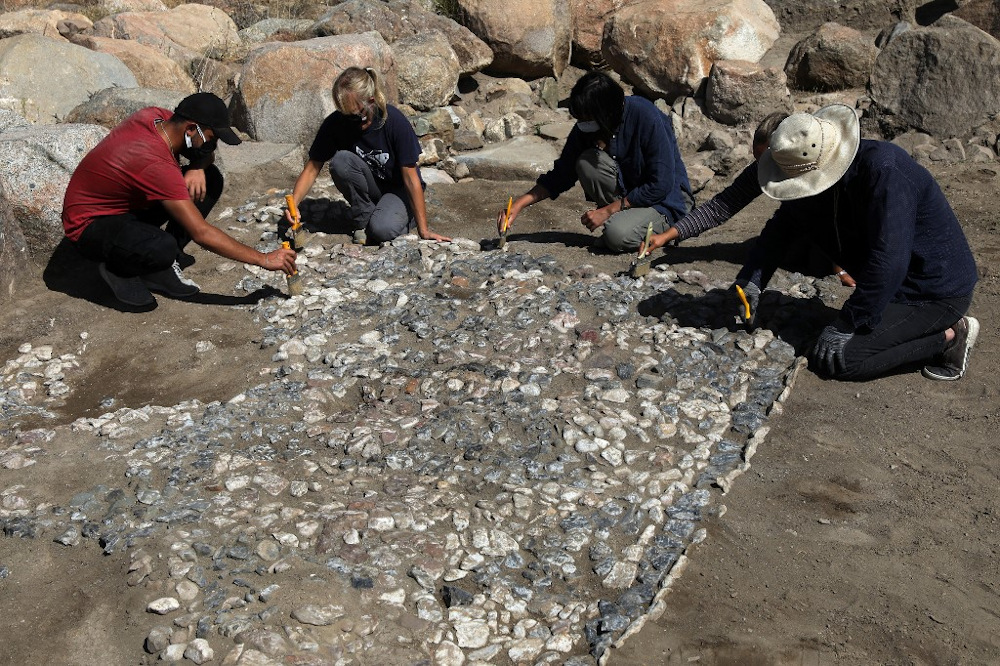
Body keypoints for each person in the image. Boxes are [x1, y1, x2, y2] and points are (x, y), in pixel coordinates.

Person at [730, 105, 979, 381]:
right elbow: (782, 229)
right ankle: (905, 323)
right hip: (893, 287)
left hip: (933, 292)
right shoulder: (810, 171)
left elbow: (890, 260)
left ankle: (950, 336)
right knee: (827, 341)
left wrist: (848, 321)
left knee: (839, 361)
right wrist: (752, 280)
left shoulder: (884, 172)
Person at [62, 92, 297, 307]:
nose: (213, 145)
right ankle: (119, 269)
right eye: (212, 137)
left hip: (125, 206)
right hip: (89, 227)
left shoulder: (158, 118)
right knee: (161, 246)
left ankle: (161, 263)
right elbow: (201, 234)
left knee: (210, 177)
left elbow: (205, 154)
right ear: (191, 129)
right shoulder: (154, 163)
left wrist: (197, 166)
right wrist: (263, 259)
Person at [645, 112, 855, 287]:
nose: (764, 169)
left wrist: (839, 268)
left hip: (849, 229)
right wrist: (668, 235)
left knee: (820, 264)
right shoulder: (765, 168)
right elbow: (720, 207)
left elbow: (835, 215)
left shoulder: (823, 166)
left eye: (768, 162)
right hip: (805, 226)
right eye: (759, 162)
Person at [497, 71, 693, 253]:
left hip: (665, 201)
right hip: (630, 196)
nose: (582, 124)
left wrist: (607, 210)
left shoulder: (646, 116)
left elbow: (661, 184)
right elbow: (562, 174)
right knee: (586, 162)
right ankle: (624, 223)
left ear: (606, 114)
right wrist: (520, 204)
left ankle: (660, 230)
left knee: (617, 236)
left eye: (587, 119)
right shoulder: (588, 127)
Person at [288, 66, 449, 245]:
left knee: (382, 230)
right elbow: (312, 168)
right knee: (340, 161)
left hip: (399, 189)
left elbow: (412, 179)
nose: (353, 123)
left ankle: (403, 218)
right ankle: (365, 220)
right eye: (346, 117)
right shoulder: (336, 123)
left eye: (358, 117)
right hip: (373, 187)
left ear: (371, 102)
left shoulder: (394, 122)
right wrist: (294, 203)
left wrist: (424, 230)